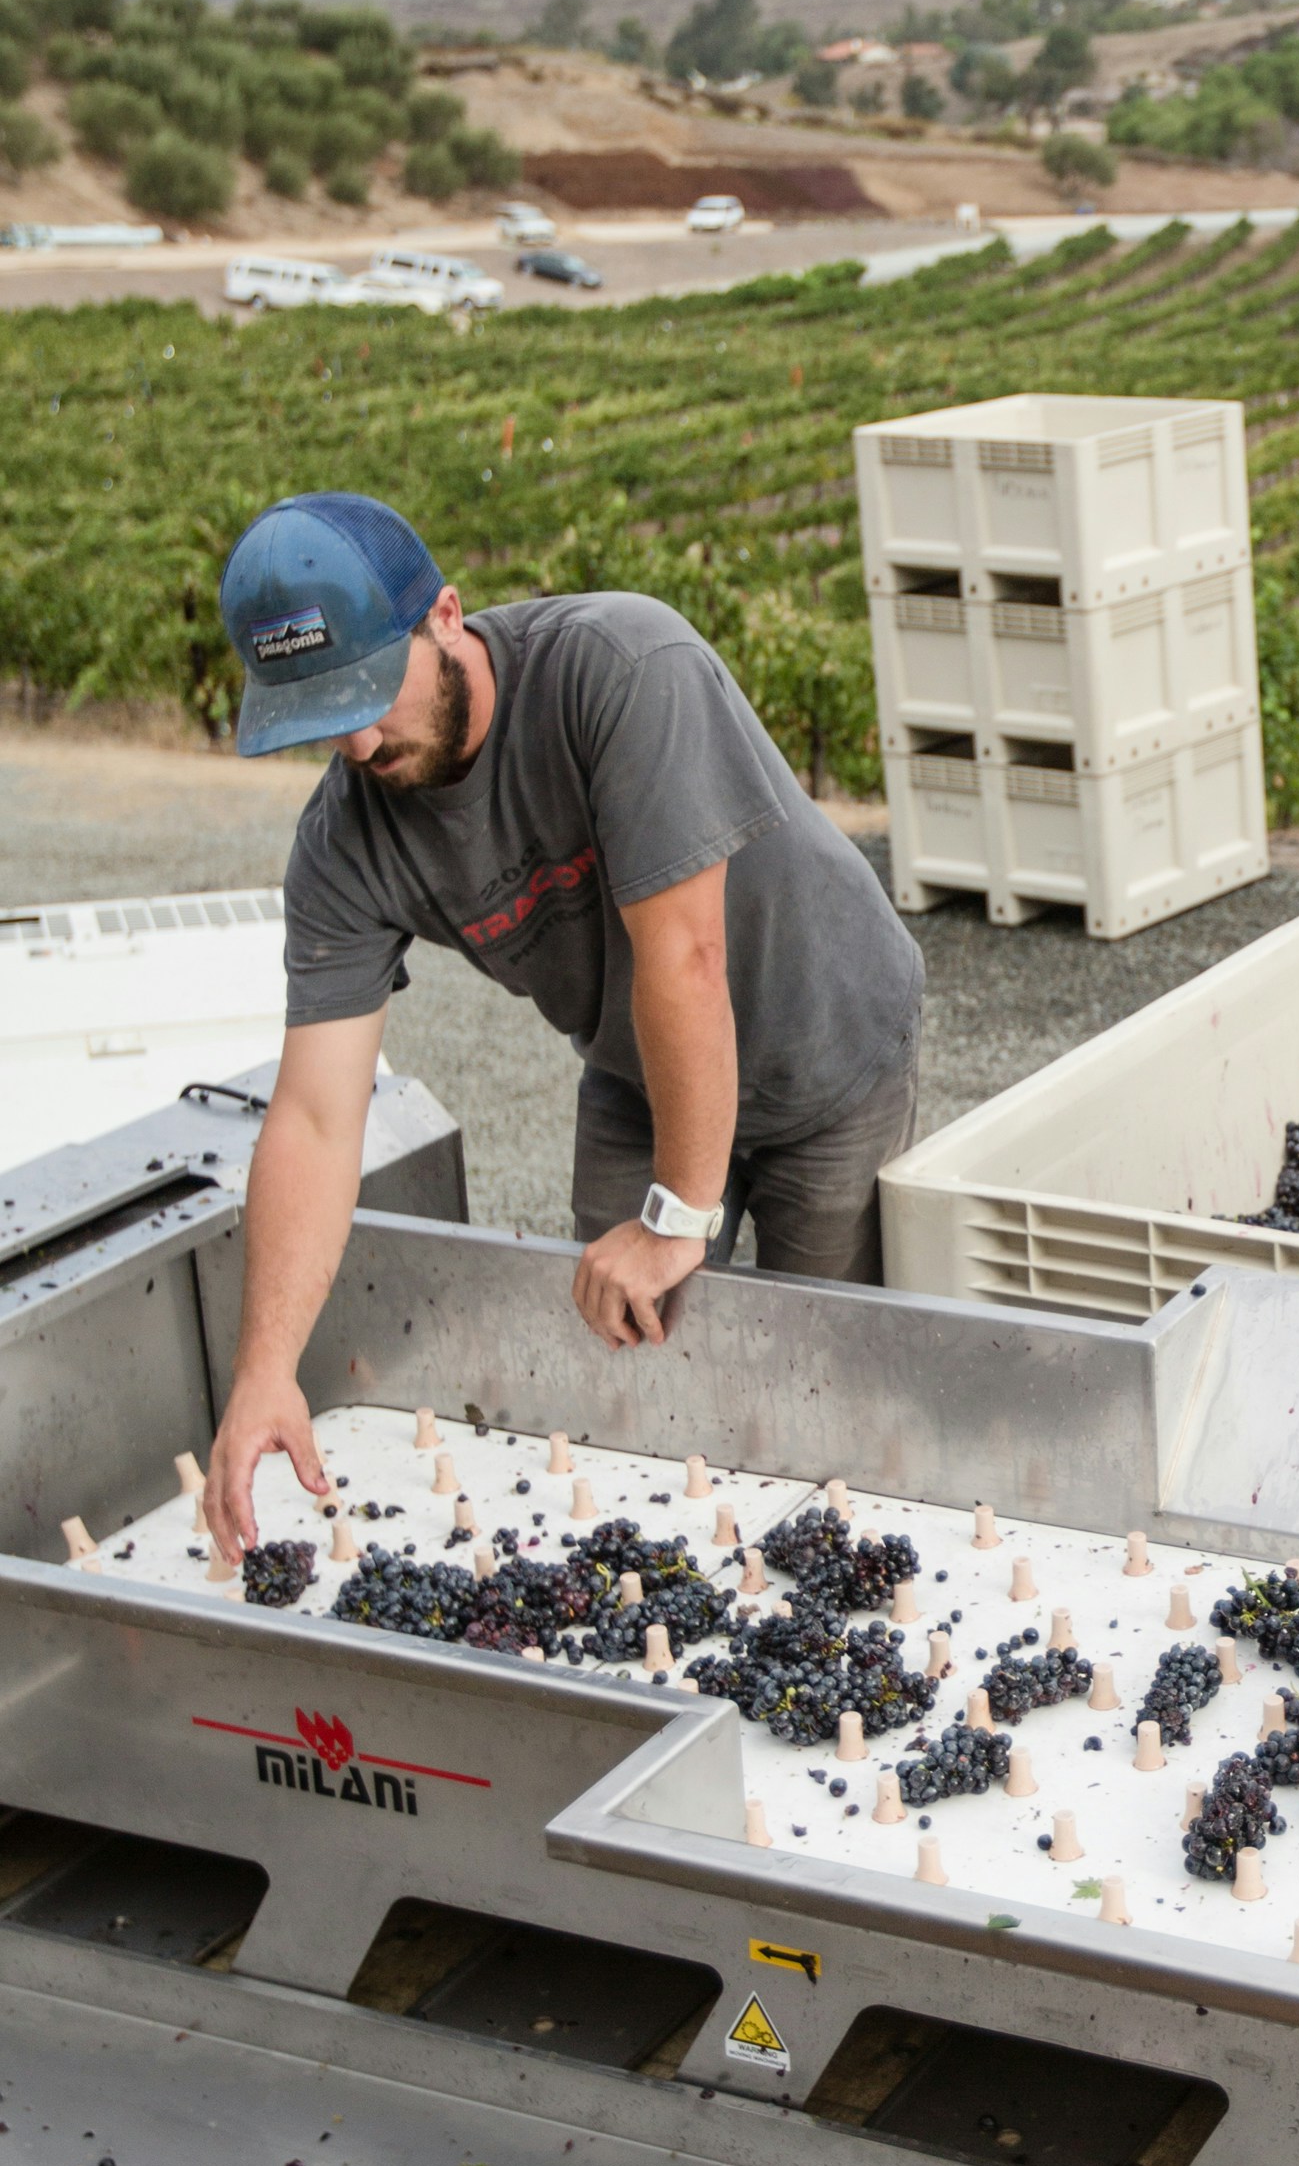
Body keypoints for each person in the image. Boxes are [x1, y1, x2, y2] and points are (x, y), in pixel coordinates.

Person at [202, 493, 925, 1558]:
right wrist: (264, 1371)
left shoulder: (620, 667)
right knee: (622, 1371)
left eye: (367, 691)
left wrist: (678, 1216)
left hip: (827, 1042)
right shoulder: (344, 843)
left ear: (444, 617)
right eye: (319, 716)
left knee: (819, 1387)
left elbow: (684, 956)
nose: (356, 740)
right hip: (640, 1066)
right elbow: (314, 1114)